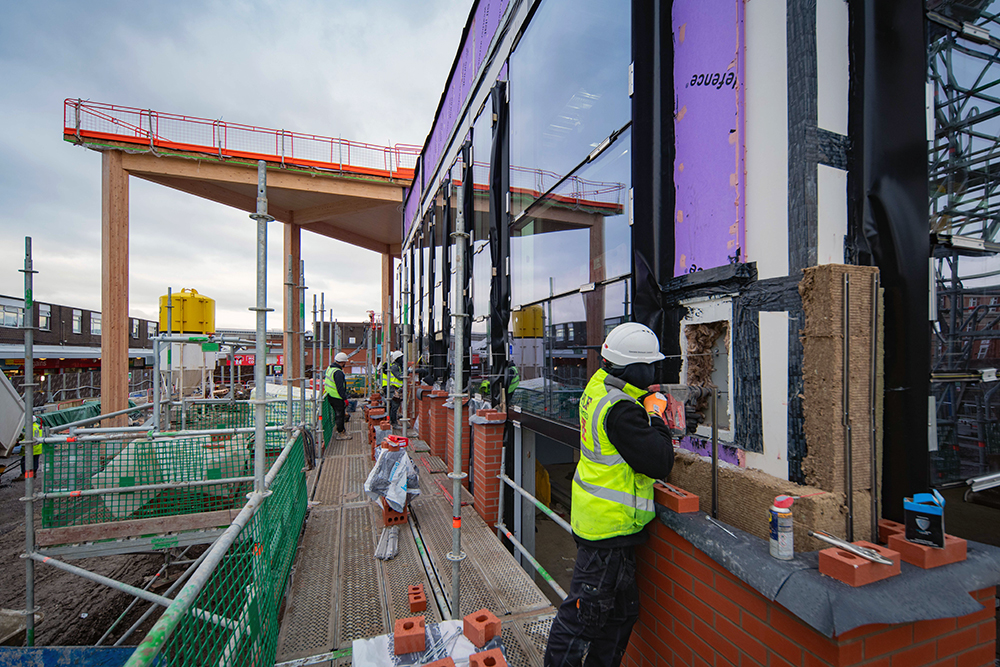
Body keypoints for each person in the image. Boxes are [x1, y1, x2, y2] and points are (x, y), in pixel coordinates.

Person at [544, 322, 675, 667]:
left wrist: (641, 399)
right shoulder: (622, 410)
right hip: (608, 530)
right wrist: (655, 414)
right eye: (651, 365)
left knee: (621, 615)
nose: (655, 370)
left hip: (601, 522)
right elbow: (659, 462)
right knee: (581, 619)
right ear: (636, 368)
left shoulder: (600, 386)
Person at [325, 352, 350, 441]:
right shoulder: (338, 372)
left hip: (331, 395)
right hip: (337, 397)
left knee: (339, 415)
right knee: (340, 415)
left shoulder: (330, 368)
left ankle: (342, 430)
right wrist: (344, 398)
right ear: (342, 362)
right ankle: (341, 433)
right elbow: (340, 387)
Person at [16, 416, 44, 481]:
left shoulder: (29, 428)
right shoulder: (38, 426)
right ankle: (33, 473)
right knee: (35, 460)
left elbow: (27, 439)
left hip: (31, 447)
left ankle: (24, 474)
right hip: (38, 447)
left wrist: (19, 443)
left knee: (24, 461)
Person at [387, 350, 404, 426]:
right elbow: (399, 377)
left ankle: (394, 421)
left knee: (396, 407)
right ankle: (393, 422)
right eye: (401, 357)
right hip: (394, 389)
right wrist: (408, 372)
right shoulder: (394, 367)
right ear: (397, 358)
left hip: (397, 389)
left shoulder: (398, 366)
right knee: (394, 406)